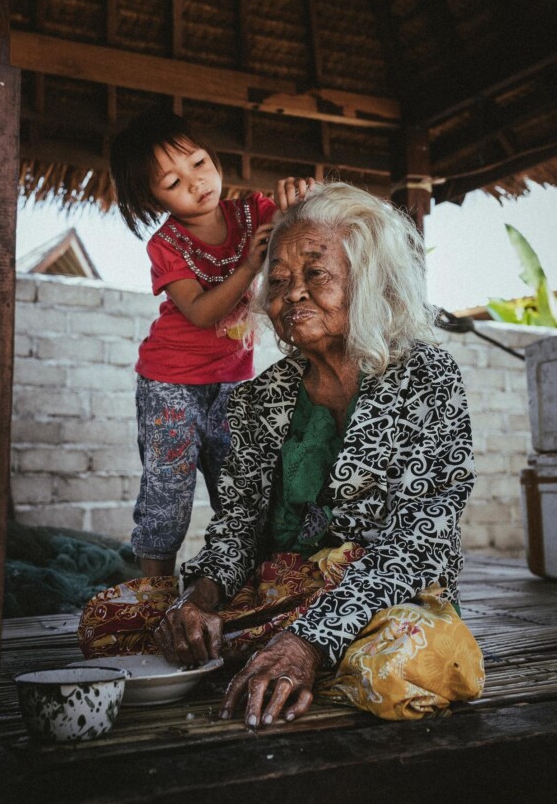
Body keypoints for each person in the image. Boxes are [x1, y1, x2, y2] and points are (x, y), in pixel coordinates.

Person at [79, 182, 484, 723]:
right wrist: (198, 599)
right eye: (279, 280)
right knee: (111, 620)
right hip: (277, 595)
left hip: (386, 600)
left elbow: (421, 537)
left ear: (368, 281)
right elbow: (238, 525)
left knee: (400, 664)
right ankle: (272, 657)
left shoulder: (427, 375)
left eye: (315, 274)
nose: (292, 293)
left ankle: (294, 660)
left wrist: (308, 641)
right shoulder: (256, 397)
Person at [109, 105, 313, 576]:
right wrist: (246, 266)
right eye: (173, 182)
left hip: (232, 384)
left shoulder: (255, 212)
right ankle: (153, 594)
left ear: (213, 158)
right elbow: (200, 313)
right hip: (169, 383)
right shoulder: (165, 245)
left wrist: (302, 199)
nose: (196, 182)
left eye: (198, 163)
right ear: (154, 199)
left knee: (241, 488)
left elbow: (305, 221)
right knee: (169, 490)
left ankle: (240, 584)